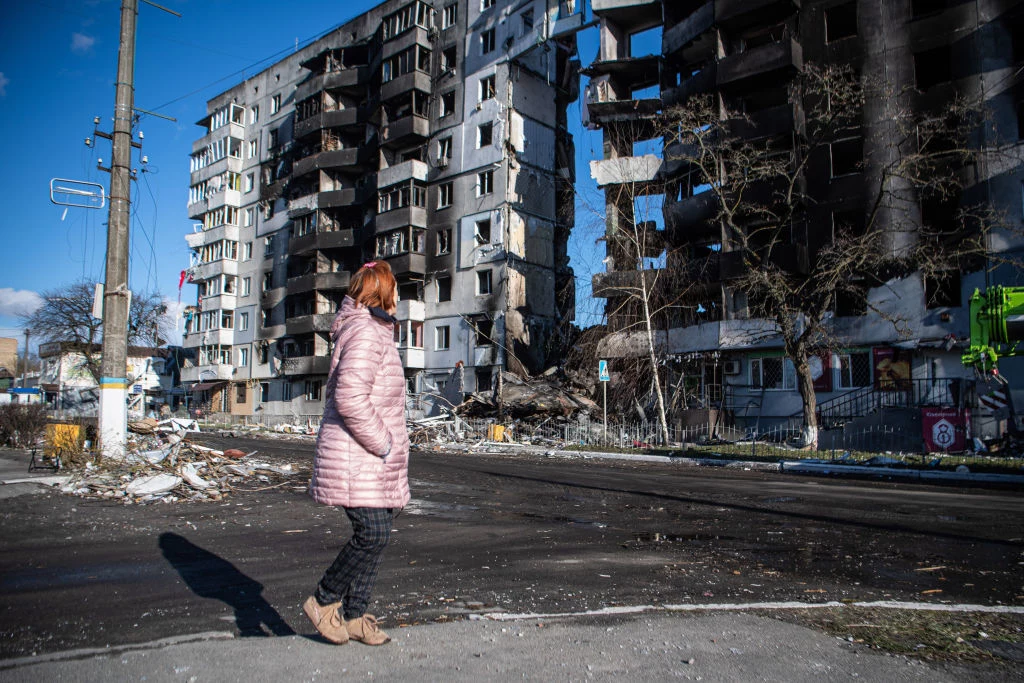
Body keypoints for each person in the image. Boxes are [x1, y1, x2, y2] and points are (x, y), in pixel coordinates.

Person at [303, 261, 410, 646]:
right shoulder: (366, 332)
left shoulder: (375, 330)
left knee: (378, 534)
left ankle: (353, 615)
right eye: (395, 288)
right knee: (374, 533)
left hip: (371, 460)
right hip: (359, 455)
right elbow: (350, 398)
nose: (399, 296)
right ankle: (324, 600)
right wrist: (383, 443)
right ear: (381, 291)